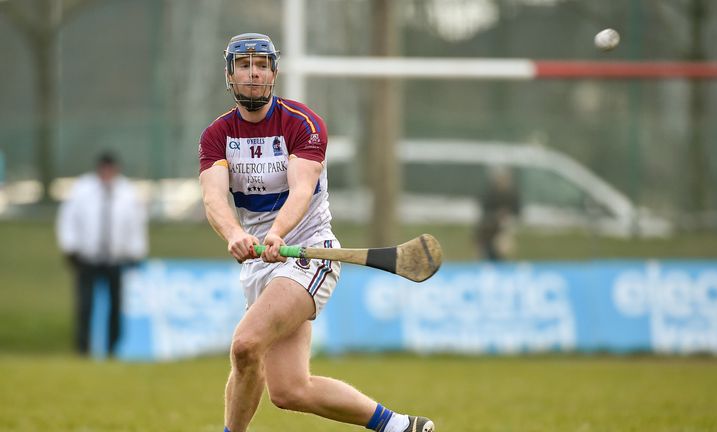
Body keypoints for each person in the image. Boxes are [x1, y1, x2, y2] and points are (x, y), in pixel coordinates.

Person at [198, 33, 435, 432]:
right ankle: (401, 427)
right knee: (290, 390)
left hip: (308, 254)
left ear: (274, 72)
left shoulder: (302, 124)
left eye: (261, 65)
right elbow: (213, 198)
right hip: (260, 265)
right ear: (230, 74)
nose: (253, 74)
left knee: (245, 344)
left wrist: (276, 233)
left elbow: (303, 190)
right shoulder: (217, 135)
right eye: (244, 65)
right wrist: (233, 233)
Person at [56, 153, 148, 356]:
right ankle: (83, 349)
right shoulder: (82, 189)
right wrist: (70, 247)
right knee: (85, 304)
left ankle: (112, 348)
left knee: (116, 306)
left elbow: (136, 224)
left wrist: (136, 251)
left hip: (115, 258)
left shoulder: (127, 192)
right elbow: (68, 219)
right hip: (88, 257)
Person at [475, 166, 521, 261]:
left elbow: (517, 213)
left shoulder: (512, 195)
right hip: (488, 230)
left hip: (504, 229)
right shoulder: (490, 194)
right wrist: (496, 216)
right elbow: (484, 213)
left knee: (503, 245)